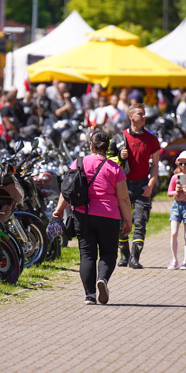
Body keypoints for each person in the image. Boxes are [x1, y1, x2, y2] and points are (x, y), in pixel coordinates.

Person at [52, 130, 132, 305]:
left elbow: (67, 190)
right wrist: (128, 220)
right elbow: (124, 198)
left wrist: (59, 211)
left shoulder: (78, 163)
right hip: (109, 216)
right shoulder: (115, 167)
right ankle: (102, 279)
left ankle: (89, 296)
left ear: (91, 146)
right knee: (109, 252)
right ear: (107, 147)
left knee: (87, 255)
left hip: (83, 215)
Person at [108, 103, 161, 269]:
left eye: (144, 114)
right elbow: (109, 161)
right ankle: (124, 255)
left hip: (142, 186)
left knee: (140, 220)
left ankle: (135, 258)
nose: (144, 117)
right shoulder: (119, 138)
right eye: (140, 114)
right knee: (120, 221)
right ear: (131, 117)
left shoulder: (151, 139)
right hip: (123, 186)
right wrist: (120, 155)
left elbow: (155, 165)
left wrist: (151, 185)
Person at [166, 150, 186, 270]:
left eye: (185, 163)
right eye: (181, 164)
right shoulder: (175, 177)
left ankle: (185, 261)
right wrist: (176, 192)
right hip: (177, 206)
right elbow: (169, 192)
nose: (183, 166)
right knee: (174, 233)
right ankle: (174, 259)